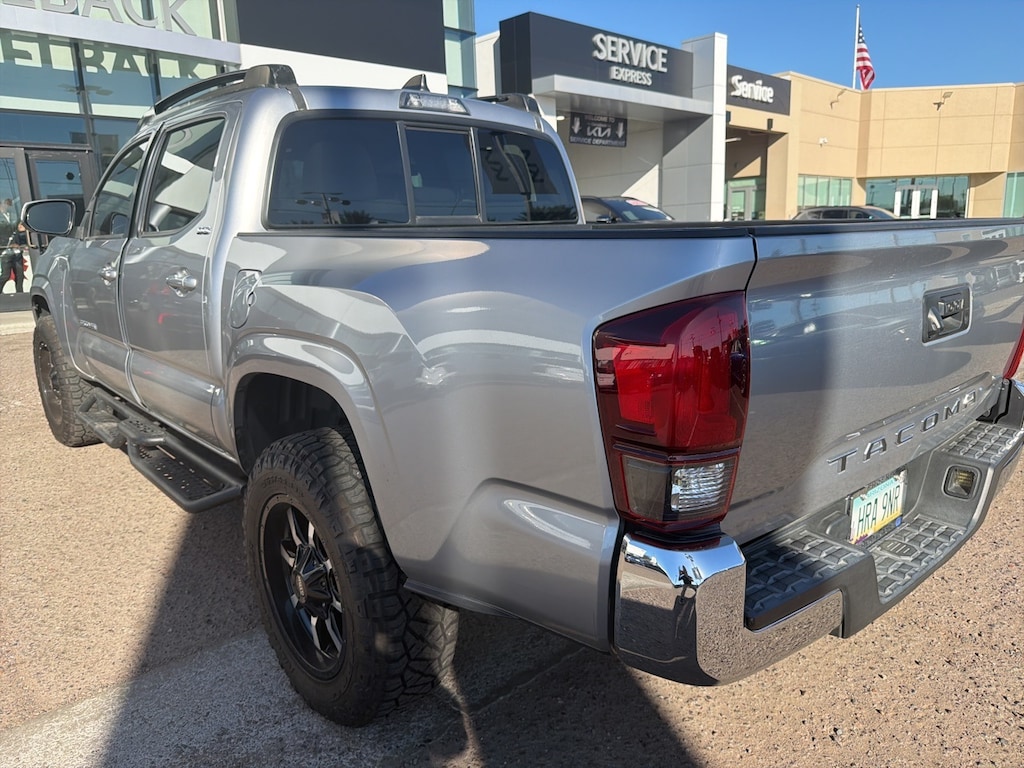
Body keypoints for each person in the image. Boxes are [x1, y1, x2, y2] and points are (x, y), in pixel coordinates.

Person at [1, 219, 28, 294]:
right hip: (6, 253)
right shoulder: (4, 226)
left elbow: (23, 239)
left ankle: (20, 293)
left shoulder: (21, 232)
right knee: (5, 275)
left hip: (17, 254)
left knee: (20, 275)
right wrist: (9, 244)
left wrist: (22, 245)